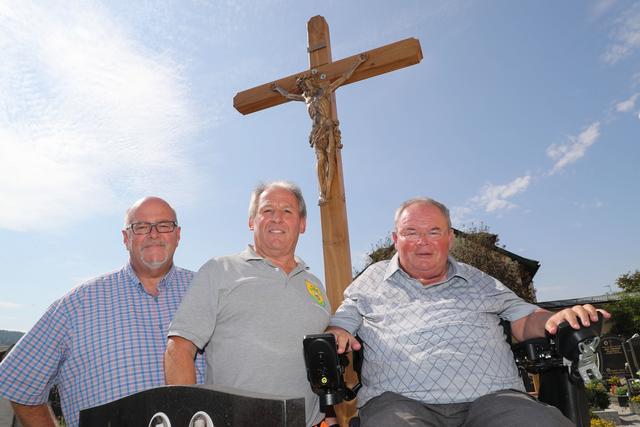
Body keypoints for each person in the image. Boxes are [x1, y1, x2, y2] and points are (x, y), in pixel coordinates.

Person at [327, 197, 611, 427]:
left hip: (495, 399)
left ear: (449, 238)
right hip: (400, 403)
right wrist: (337, 331)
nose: (422, 241)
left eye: (434, 231)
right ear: (395, 238)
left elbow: (525, 319)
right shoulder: (371, 280)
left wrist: (557, 318)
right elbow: (342, 322)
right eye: (411, 232)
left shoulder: (480, 280)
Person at [0, 196, 204, 427]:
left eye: (164, 225)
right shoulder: (76, 305)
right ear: (126, 238)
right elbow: (19, 381)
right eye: (141, 227)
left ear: (177, 235)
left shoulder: (210, 292)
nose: (153, 233)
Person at [165, 181, 332, 427]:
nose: (277, 218)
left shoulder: (316, 285)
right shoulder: (219, 270)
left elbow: (323, 363)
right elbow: (179, 348)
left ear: (302, 223)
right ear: (252, 221)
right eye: (267, 210)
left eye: (287, 211)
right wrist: (188, 417)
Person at [272, 54, 367, 204]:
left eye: (307, 85)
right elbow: (289, 95)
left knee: (330, 157)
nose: (305, 88)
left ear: (312, 83)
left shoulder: (324, 91)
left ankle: (328, 190)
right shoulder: (306, 98)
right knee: (321, 159)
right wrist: (278, 89)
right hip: (316, 132)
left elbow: (344, 78)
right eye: (303, 87)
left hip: (328, 128)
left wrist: (357, 63)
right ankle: (322, 192)